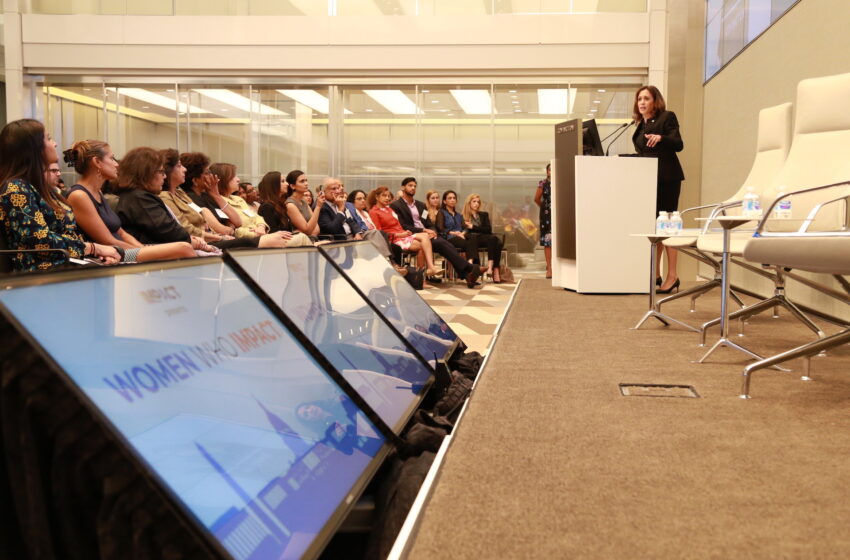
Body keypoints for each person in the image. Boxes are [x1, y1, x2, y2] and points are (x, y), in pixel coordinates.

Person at [0, 119, 121, 271]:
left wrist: (95, 255)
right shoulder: (16, 188)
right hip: (42, 278)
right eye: (49, 138)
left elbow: (69, 235)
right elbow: (39, 241)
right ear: (34, 147)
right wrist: (94, 249)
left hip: (67, 268)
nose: (55, 143)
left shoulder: (41, 188)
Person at [64, 140, 195, 263]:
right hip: (115, 254)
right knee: (184, 248)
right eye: (111, 158)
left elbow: (121, 232)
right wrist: (142, 251)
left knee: (183, 248)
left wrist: (142, 249)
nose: (116, 164)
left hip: (124, 249)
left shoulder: (97, 192)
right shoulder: (79, 195)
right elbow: (107, 240)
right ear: (97, 162)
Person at [114, 147, 219, 253]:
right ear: (145, 173)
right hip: (150, 256)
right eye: (161, 172)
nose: (164, 176)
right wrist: (193, 240)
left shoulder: (139, 196)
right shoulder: (138, 198)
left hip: (165, 249)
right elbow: (168, 231)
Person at [632, 85, 684, 294]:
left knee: (667, 227)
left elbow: (679, 144)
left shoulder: (667, 117)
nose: (642, 102)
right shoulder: (639, 125)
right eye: (639, 99)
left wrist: (662, 138)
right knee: (654, 228)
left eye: (646, 98)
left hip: (667, 179)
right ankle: (655, 274)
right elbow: (644, 154)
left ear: (655, 101)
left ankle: (672, 275)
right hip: (648, 181)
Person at [390, 177, 482, 288]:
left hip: (426, 235)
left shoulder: (421, 206)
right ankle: (470, 269)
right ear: (403, 187)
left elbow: (428, 222)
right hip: (411, 236)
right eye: (410, 185)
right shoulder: (396, 205)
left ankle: (467, 274)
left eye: (414, 186)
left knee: (445, 243)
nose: (413, 188)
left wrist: (432, 231)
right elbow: (403, 225)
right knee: (442, 243)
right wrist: (424, 230)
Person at [158, 149, 255, 250]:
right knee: (248, 242)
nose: (184, 169)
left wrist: (216, 195)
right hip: (202, 242)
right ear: (195, 181)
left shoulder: (183, 193)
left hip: (213, 237)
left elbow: (236, 222)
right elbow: (187, 227)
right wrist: (221, 235)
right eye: (207, 173)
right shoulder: (173, 196)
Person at [209, 162, 292, 248]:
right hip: (246, 241)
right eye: (234, 177)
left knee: (301, 237)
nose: (238, 179)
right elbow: (233, 229)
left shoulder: (238, 199)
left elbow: (257, 217)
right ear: (222, 180)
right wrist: (254, 234)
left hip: (261, 234)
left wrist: (261, 227)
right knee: (301, 238)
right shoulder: (218, 201)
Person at [368, 186, 444, 278]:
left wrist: (405, 232)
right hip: (394, 238)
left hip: (403, 234)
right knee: (423, 245)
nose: (387, 198)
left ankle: (427, 271)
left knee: (425, 237)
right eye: (384, 196)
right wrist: (399, 234)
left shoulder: (389, 209)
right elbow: (379, 233)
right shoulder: (374, 212)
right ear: (377, 197)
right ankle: (423, 275)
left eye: (388, 196)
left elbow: (398, 225)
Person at [463, 193, 504, 283]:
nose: (476, 204)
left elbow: (488, 229)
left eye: (478, 202)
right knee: (497, 242)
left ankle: (490, 267)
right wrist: (475, 229)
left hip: (484, 238)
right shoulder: (464, 216)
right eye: (474, 201)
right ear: (469, 203)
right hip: (472, 240)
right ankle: (495, 269)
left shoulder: (484, 214)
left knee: (493, 238)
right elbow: (466, 232)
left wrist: (473, 227)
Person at [285, 169, 325, 236]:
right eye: (302, 181)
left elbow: (317, 229)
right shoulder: (290, 205)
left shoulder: (304, 202)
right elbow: (308, 230)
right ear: (292, 186)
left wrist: (306, 231)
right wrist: (318, 207)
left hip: (311, 239)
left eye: (306, 180)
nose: (306, 184)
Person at [534, 163, 552, 278]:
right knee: (548, 241)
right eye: (550, 170)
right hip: (546, 215)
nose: (552, 172)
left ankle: (557, 266)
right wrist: (545, 207)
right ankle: (549, 268)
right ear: (547, 172)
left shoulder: (561, 181)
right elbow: (536, 199)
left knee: (559, 241)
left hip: (560, 214)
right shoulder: (543, 183)